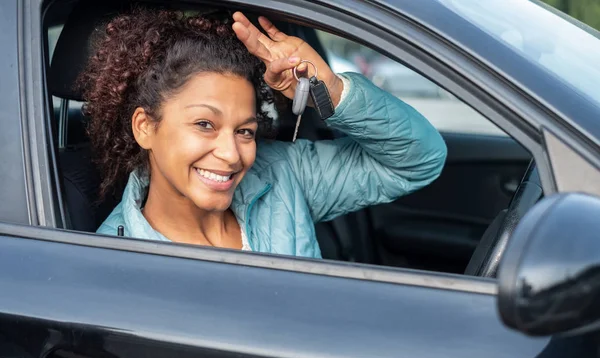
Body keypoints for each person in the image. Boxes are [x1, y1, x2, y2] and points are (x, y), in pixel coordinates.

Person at [81, 8, 447, 257]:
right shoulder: (116, 260)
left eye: (244, 131)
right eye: (205, 124)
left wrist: (331, 92)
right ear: (145, 127)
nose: (231, 154)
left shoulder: (283, 177)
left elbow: (418, 160)